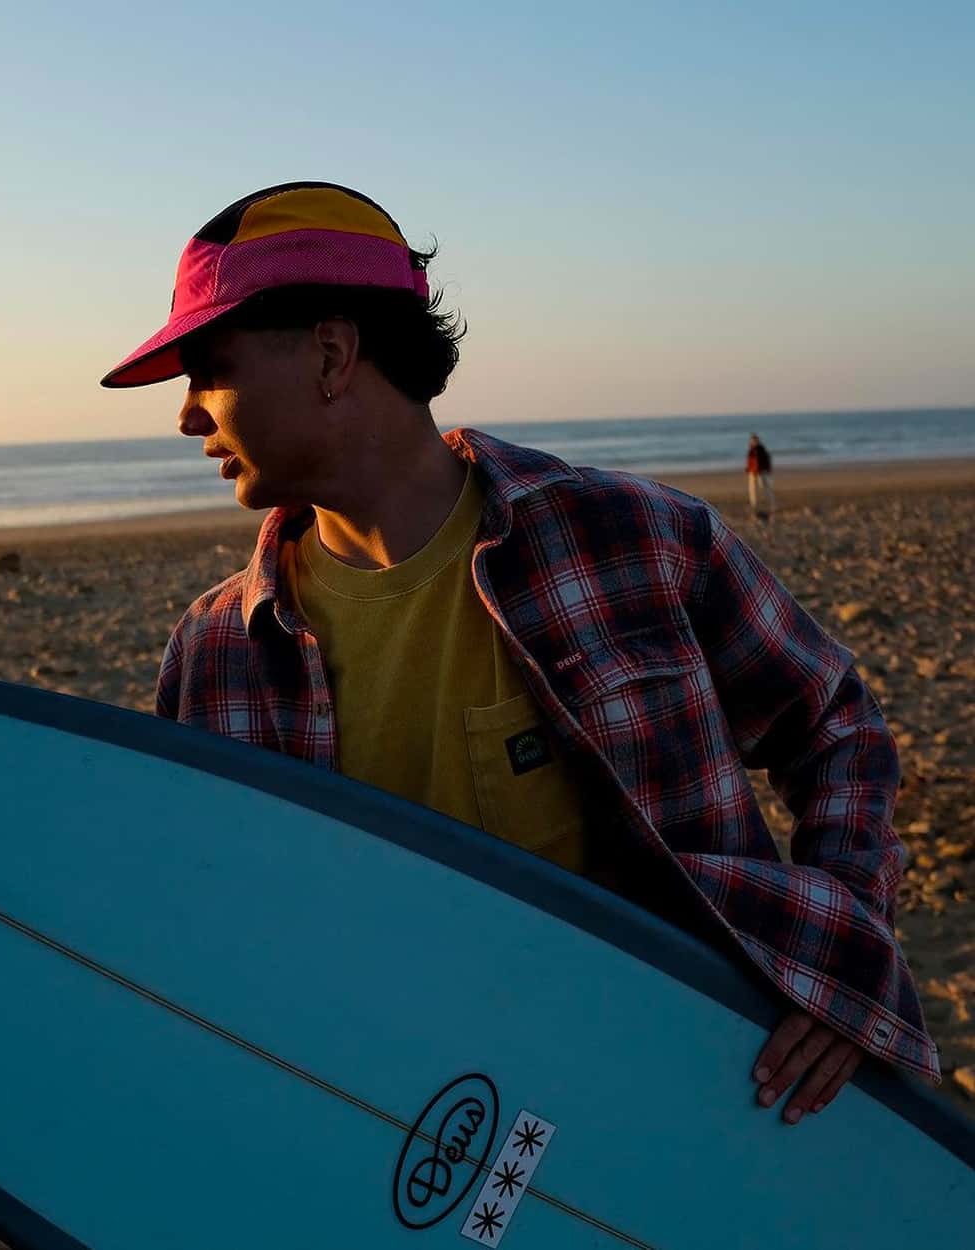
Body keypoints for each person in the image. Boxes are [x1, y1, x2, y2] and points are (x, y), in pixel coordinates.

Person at [101, 181, 937, 1127]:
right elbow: (217, 933)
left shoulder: (632, 538)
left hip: (703, 1109)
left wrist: (836, 952)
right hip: (408, 1143)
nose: (186, 417)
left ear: (333, 354)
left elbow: (833, 724)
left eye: (208, 370)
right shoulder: (217, 655)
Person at [746, 433, 774, 520]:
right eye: (752, 440)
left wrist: (767, 470)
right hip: (752, 473)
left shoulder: (761, 450)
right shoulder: (751, 450)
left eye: (755, 440)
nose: (753, 442)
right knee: (752, 490)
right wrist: (748, 470)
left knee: (764, 489)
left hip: (760, 473)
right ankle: (754, 506)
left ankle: (769, 505)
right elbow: (750, 462)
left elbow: (766, 461)